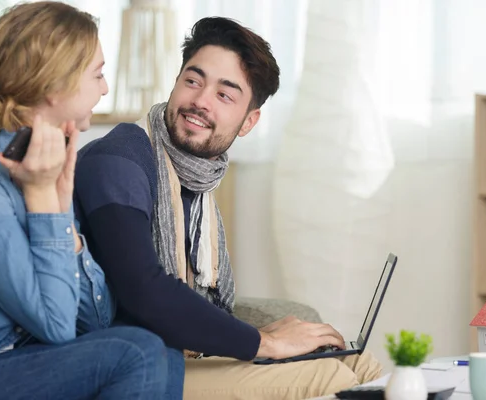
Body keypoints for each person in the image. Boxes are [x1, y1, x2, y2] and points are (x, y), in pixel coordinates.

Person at [74, 16, 382, 399]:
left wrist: (267, 338)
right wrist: (264, 343)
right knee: (331, 380)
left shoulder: (197, 180)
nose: (200, 101)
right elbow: (144, 290)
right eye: (193, 80)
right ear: (175, 83)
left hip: (181, 354)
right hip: (132, 368)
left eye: (224, 94)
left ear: (249, 121)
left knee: (360, 365)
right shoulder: (119, 160)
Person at [0, 2, 183, 399]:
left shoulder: (43, 160)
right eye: (97, 74)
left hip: (13, 354)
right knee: (137, 353)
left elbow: (94, 320)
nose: (105, 88)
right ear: (54, 86)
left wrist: (63, 216)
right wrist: (47, 200)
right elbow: (57, 325)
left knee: (164, 348)